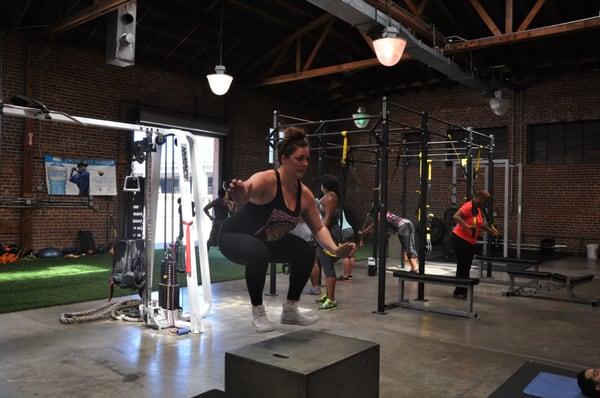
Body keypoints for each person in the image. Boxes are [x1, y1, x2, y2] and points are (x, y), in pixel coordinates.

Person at [218, 127, 355, 332]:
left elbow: (318, 229)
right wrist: (239, 192)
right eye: (299, 159)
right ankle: (258, 312)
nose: (305, 164)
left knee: (306, 252)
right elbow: (244, 194)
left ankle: (290, 310)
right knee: (258, 251)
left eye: (307, 159)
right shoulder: (267, 180)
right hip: (233, 237)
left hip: (264, 243)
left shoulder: (305, 195)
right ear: (284, 159)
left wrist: (335, 250)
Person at [451, 190, 498, 299]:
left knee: (467, 266)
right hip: (460, 239)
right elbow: (456, 216)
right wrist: (467, 226)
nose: (486, 204)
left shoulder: (478, 210)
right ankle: (458, 292)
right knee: (462, 266)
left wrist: (490, 231)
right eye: (485, 201)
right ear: (479, 198)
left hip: (470, 241)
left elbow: (480, 225)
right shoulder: (468, 206)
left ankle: (463, 289)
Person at [313, 174, 342, 310]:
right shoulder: (329, 196)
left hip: (329, 232)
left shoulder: (330, 197)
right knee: (324, 264)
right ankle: (328, 294)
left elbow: (329, 218)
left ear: (324, 185)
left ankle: (331, 299)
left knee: (328, 266)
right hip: (326, 231)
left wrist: (320, 232)